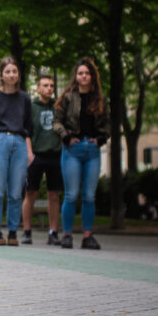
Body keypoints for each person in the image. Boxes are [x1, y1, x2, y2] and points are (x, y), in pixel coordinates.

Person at [53, 58, 110, 250]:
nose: (83, 76)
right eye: (80, 73)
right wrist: (67, 137)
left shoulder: (100, 99)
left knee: (88, 196)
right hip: (72, 150)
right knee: (71, 194)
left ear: (92, 76)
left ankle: (88, 236)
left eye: (87, 73)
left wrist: (101, 139)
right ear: (76, 77)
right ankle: (67, 235)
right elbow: (57, 122)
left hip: (92, 150)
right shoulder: (68, 97)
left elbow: (107, 124)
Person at [0, 56, 33, 246]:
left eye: (14, 71)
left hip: (19, 141)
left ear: (18, 74)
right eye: (8, 71)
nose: (11, 75)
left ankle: (12, 232)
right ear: (1, 74)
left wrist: (28, 148)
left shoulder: (24, 98)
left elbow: (29, 124)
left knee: (16, 191)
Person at [22, 75, 63, 245]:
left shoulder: (59, 107)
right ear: (38, 88)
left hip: (55, 154)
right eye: (45, 85)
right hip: (36, 155)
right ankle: (26, 231)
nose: (49, 88)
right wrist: (29, 153)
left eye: (52, 86)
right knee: (30, 193)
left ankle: (53, 232)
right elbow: (26, 132)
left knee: (54, 194)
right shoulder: (31, 107)